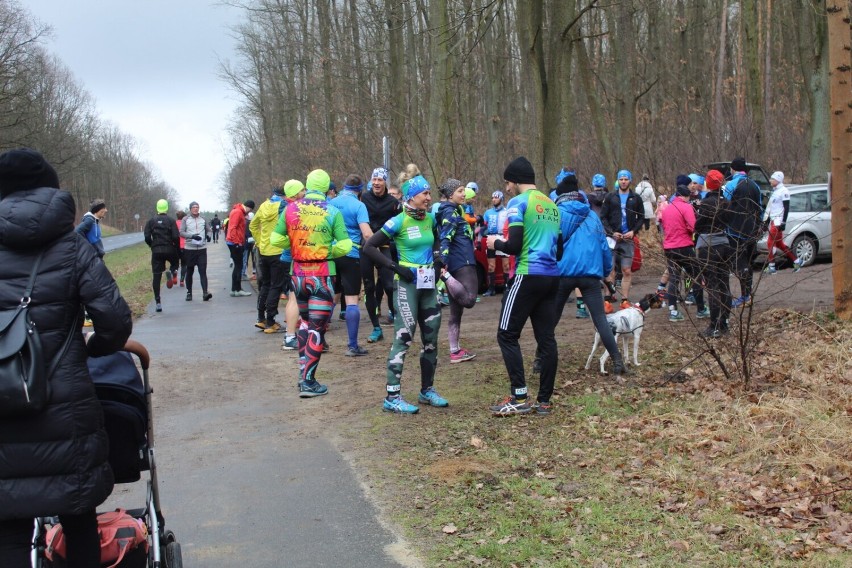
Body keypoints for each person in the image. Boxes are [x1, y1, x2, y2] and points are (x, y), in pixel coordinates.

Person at [0, 148, 133, 567]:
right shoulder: (72, 248)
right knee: (77, 517)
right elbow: (114, 320)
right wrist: (92, 347)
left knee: (8, 526)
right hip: (65, 402)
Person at [363, 175, 447, 414]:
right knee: (404, 337)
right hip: (407, 286)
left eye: (430, 194)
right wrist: (394, 267)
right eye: (425, 194)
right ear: (411, 197)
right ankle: (392, 396)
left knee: (431, 340)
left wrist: (439, 258)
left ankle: (427, 390)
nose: (429, 198)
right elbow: (369, 247)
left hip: (429, 286)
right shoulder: (397, 222)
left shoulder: (430, 219)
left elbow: (436, 240)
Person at [486, 156, 562, 416]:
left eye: (507, 183)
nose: (506, 189)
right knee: (546, 338)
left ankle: (519, 397)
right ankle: (544, 401)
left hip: (527, 274)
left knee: (506, 334)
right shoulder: (552, 204)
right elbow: (559, 250)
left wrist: (495, 243)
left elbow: (514, 246)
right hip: (552, 276)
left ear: (515, 181)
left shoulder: (518, 203)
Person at [270, 169, 351, 398]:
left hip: (297, 275)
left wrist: (296, 244)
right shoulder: (332, 211)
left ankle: (302, 375)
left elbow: (275, 240)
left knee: (305, 324)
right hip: (322, 275)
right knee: (317, 328)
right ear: (326, 188)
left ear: (307, 185)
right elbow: (345, 245)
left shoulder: (290, 209)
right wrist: (325, 250)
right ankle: (308, 382)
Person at [551, 176, 626, 377]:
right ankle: (617, 360)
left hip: (563, 274)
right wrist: (604, 272)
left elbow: (551, 244)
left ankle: (541, 361)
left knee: (551, 320)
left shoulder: (556, 214)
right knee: (600, 319)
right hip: (591, 276)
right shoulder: (592, 215)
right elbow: (603, 245)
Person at [329, 174, 373, 356]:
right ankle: (352, 346)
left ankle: (318, 338)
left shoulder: (330, 202)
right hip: (351, 254)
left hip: (330, 254)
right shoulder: (359, 205)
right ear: (360, 190)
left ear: (344, 186)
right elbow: (367, 234)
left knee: (330, 295)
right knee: (352, 299)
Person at [436, 178, 478, 364]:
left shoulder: (451, 211)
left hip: (457, 262)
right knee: (469, 300)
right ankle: (445, 277)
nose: (464, 194)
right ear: (450, 194)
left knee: (456, 313)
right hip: (462, 262)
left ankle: (455, 352)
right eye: (460, 191)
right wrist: (443, 266)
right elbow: (445, 238)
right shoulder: (450, 212)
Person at [361, 167, 401, 342]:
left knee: (389, 285)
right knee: (369, 286)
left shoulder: (393, 202)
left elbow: (401, 224)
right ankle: (376, 328)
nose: (376, 183)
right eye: (374, 179)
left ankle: (395, 316)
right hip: (367, 246)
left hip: (385, 245)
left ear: (386, 182)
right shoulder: (363, 198)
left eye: (380, 180)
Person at [659, 180, 709, 322]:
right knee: (696, 276)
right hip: (684, 246)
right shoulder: (686, 207)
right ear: (686, 196)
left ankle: (673, 311)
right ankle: (701, 309)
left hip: (669, 247)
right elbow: (693, 226)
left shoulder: (667, 208)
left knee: (674, 278)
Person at [695, 169, 733, 338]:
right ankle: (724, 323)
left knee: (712, 286)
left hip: (708, 246)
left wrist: (697, 214)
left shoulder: (706, 203)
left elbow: (698, 225)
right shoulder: (726, 202)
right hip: (724, 244)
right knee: (724, 284)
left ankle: (714, 326)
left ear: (708, 184)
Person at [599, 169, 644, 308]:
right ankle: (607, 299)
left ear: (630, 181)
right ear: (618, 181)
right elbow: (603, 217)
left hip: (628, 239)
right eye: (621, 179)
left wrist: (633, 231)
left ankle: (624, 300)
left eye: (626, 179)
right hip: (612, 239)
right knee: (610, 270)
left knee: (626, 270)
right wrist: (611, 232)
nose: (623, 181)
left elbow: (641, 217)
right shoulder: (611, 197)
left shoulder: (635, 198)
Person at [723, 157, 763, 308]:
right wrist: (757, 226)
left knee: (740, 263)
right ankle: (747, 294)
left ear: (733, 169)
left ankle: (745, 296)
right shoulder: (755, 185)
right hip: (751, 230)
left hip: (735, 230)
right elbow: (759, 208)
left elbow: (724, 206)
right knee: (748, 262)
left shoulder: (731, 184)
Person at [250, 187, 286, 331]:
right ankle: (271, 322)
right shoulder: (283, 206)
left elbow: (253, 225)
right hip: (278, 250)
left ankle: (261, 318)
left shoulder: (263, 206)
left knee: (265, 285)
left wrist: (259, 241)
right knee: (276, 286)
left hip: (263, 250)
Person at [278, 180, 306, 351]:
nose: (305, 192)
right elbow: (284, 236)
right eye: (302, 190)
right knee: (295, 298)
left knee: (294, 297)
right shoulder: (291, 210)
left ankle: (293, 334)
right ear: (295, 193)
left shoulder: (286, 207)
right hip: (292, 259)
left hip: (290, 258)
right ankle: (290, 337)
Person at [143, 199, 180, 313]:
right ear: (167, 208)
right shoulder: (171, 221)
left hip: (156, 250)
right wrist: (176, 248)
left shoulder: (151, 221)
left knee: (156, 277)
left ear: (157, 208)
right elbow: (175, 236)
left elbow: (147, 237)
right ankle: (173, 271)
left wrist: (152, 245)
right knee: (175, 262)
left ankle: (158, 303)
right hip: (169, 249)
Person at [763, 171, 803, 274]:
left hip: (778, 222)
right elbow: (771, 208)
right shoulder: (775, 191)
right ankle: (797, 261)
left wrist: (783, 222)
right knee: (780, 244)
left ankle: (772, 266)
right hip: (773, 221)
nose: (770, 180)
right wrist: (767, 221)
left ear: (778, 180)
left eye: (772, 179)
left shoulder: (784, 191)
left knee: (770, 243)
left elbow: (786, 207)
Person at [179, 201, 213, 301]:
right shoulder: (185, 219)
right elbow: (181, 232)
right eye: (193, 207)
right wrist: (192, 236)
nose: (195, 209)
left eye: (197, 207)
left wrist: (208, 236)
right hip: (189, 249)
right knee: (190, 271)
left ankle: (205, 293)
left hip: (202, 249)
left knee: (203, 271)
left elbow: (209, 230)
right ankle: (189, 293)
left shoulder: (203, 219)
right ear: (190, 209)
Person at [481, 190, 509, 296]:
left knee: (506, 265)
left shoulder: (507, 211)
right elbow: (484, 227)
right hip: (491, 237)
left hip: (503, 237)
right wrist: (479, 239)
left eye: (496, 197)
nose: (493, 199)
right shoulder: (488, 212)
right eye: (492, 198)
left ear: (501, 199)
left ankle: (507, 288)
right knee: (491, 266)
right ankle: (491, 289)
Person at [226, 199, 255, 297]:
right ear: (248, 207)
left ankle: (234, 289)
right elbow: (233, 228)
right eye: (250, 210)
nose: (249, 213)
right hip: (235, 243)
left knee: (237, 266)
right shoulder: (238, 212)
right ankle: (237, 289)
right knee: (239, 266)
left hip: (235, 242)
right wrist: (237, 242)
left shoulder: (238, 211)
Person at [175, 210, 187, 286]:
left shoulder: (173, 223)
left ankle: (174, 272)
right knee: (184, 264)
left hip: (176, 246)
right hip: (184, 246)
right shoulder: (185, 223)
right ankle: (182, 280)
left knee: (175, 263)